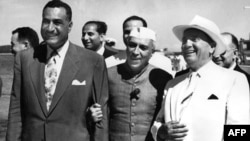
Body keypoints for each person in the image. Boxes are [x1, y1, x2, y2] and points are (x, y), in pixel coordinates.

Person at [6, 1, 109, 141]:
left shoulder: (92, 61)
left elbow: (101, 117)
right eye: (45, 21)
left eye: (57, 22)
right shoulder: (24, 59)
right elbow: (16, 111)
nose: (50, 28)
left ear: (70, 26)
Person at [151, 15, 249, 141]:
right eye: (184, 41)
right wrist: (161, 132)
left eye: (194, 39)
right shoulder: (172, 85)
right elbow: (158, 123)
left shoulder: (234, 79)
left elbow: (240, 130)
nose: (186, 44)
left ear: (212, 47)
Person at [91, 27, 173, 141]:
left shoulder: (163, 78)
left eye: (143, 47)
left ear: (152, 53)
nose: (136, 52)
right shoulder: (108, 74)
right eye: (132, 45)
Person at [106, 15, 174, 75]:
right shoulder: (110, 62)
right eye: (127, 32)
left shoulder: (163, 63)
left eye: (136, 31)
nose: (131, 35)